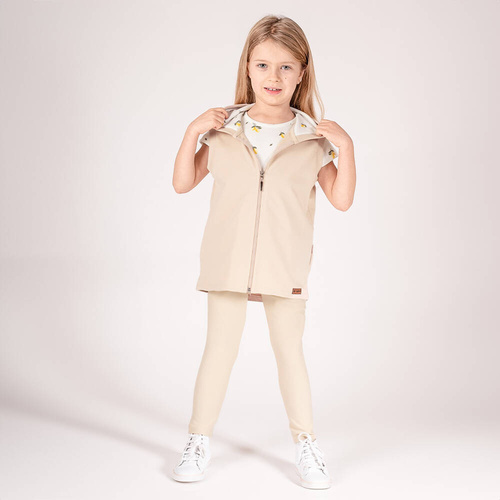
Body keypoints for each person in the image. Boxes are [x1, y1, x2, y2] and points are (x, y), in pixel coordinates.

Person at [171, 14, 356, 489]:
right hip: (226, 260)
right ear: (248, 68)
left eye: (286, 67)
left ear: (302, 72)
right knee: (219, 350)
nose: (274, 77)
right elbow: (183, 182)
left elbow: (341, 200)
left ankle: (306, 444)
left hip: (285, 264)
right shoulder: (224, 128)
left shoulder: (312, 137)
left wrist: (347, 147)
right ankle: (198, 440)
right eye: (263, 65)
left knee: (289, 353)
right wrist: (192, 130)